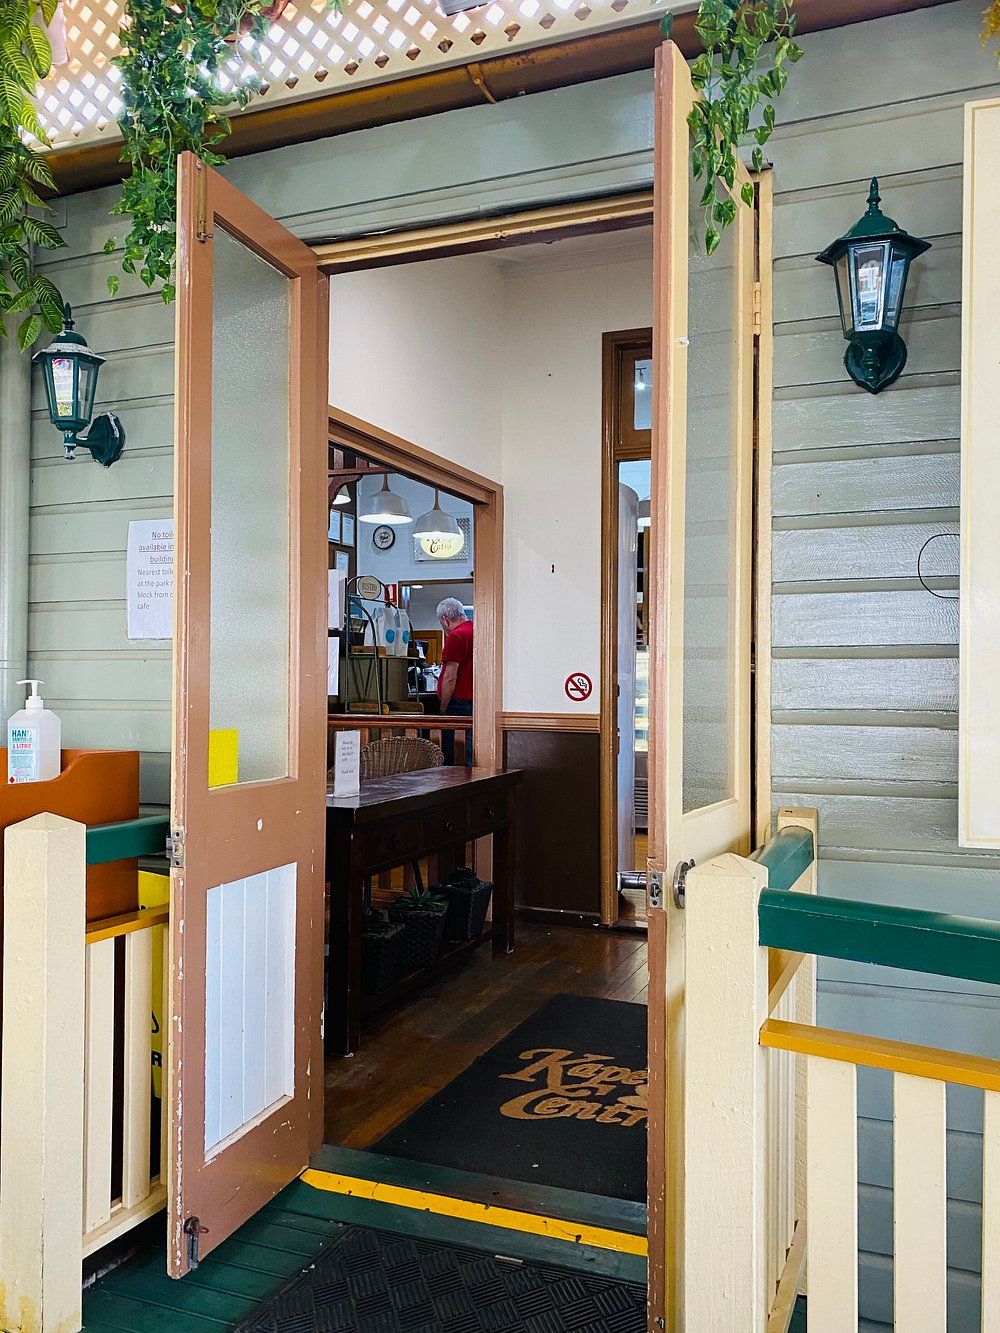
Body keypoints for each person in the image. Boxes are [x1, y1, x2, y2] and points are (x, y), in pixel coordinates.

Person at [436, 597, 473, 765]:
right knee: (469, 752)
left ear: (445, 620)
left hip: (458, 703)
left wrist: (443, 708)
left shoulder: (456, 636)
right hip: (476, 701)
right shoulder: (478, 631)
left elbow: (450, 677)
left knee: (455, 755)